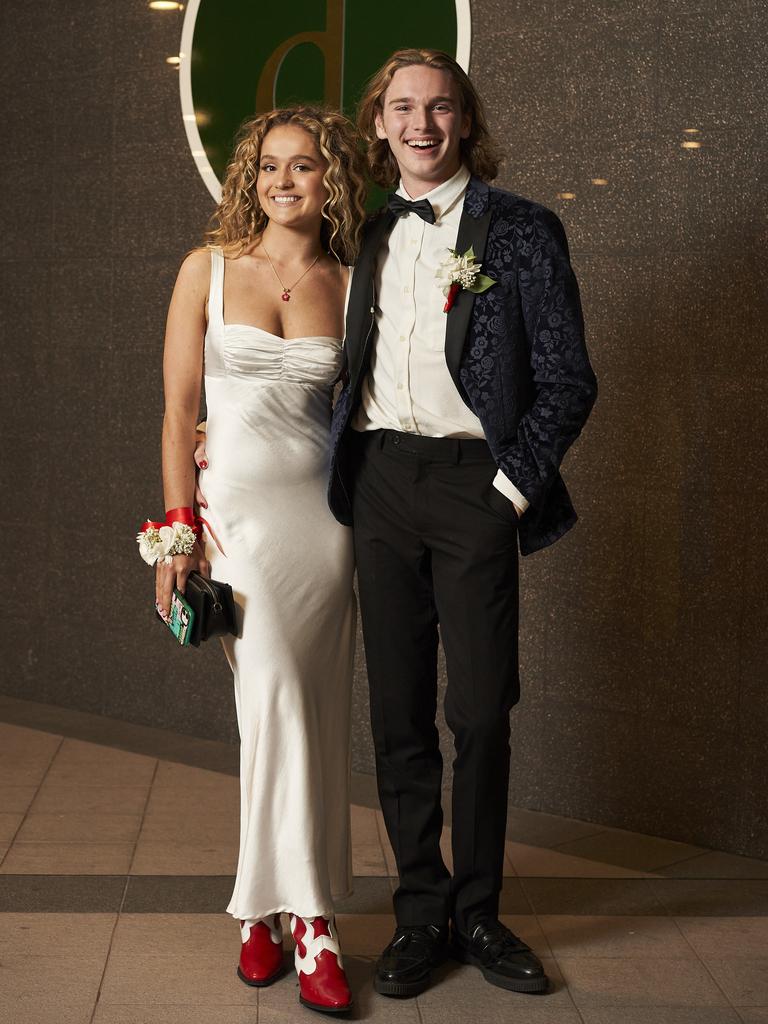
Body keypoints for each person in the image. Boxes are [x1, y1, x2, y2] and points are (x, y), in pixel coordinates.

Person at [328, 50, 598, 998]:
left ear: (466, 120)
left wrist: (509, 491)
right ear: (378, 124)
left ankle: (478, 914)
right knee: (398, 715)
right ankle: (418, 914)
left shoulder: (522, 231)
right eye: (403, 107)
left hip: (474, 486)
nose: (421, 124)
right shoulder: (357, 232)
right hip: (379, 487)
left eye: (440, 107)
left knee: (481, 714)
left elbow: (568, 380)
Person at [155, 106, 367, 1015]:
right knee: (274, 702)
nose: (285, 181)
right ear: (250, 178)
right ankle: (305, 917)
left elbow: (365, 421)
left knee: (307, 714)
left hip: (326, 530)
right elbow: (175, 414)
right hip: (234, 522)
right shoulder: (205, 270)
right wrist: (175, 533)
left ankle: (265, 914)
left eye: (305, 166)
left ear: (334, 181)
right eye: (271, 166)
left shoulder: (354, 285)